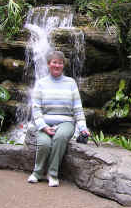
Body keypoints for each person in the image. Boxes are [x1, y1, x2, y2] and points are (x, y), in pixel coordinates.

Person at [27, 50, 89, 187]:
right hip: (45, 123)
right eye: (54, 62)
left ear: (63, 65)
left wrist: (83, 128)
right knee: (44, 143)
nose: (57, 65)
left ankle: (52, 174)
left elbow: (77, 108)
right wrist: (43, 126)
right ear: (49, 64)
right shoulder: (41, 83)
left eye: (60, 63)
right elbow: (36, 109)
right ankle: (37, 173)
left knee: (60, 138)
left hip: (66, 122)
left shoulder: (71, 83)